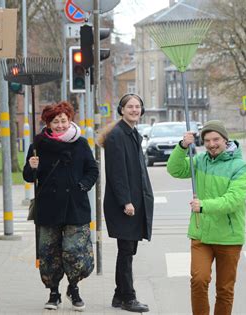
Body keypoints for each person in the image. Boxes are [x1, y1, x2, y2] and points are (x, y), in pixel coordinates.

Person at [167, 120, 246, 315]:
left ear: (225, 139)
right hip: (201, 233)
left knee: (224, 289)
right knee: (198, 280)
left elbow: (234, 200)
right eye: (207, 140)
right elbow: (175, 170)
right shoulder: (200, 161)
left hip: (228, 237)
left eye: (216, 139)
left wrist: (204, 205)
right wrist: (182, 147)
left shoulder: (240, 166)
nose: (212, 144)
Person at [23, 101, 98, 311]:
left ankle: (73, 288)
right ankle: (53, 292)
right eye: (55, 122)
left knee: (75, 251)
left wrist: (82, 186)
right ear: (48, 123)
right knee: (49, 253)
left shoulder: (81, 143)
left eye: (63, 120)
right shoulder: (38, 144)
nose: (60, 125)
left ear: (70, 120)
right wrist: (32, 166)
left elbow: (92, 170)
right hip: (48, 208)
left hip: (76, 206)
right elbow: (29, 177)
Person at [98, 93, 154, 313]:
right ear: (121, 110)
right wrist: (126, 202)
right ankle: (128, 298)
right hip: (125, 205)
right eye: (130, 107)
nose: (134, 110)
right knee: (126, 251)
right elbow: (116, 173)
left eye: (138, 107)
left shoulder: (131, 133)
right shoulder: (117, 136)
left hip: (134, 203)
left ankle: (118, 295)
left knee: (128, 250)